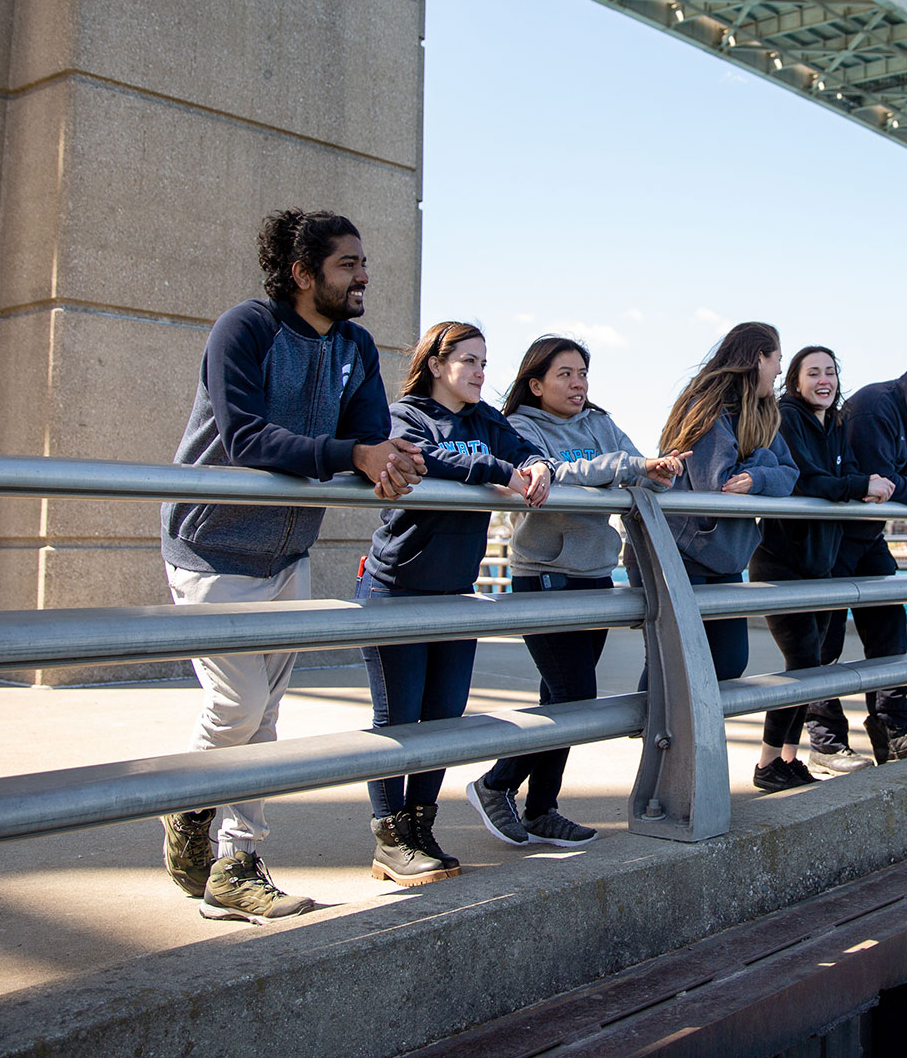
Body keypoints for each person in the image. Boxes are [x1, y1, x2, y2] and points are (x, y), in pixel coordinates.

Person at [159, 210, 426, 924]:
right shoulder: (243, 330)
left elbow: (369, 433)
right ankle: (188, 804)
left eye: (363, 261)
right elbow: (245, 436)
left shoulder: (355, 344)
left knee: (267, 713)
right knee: (237, 704)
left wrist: (392, 458)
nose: (363, 274)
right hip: (212, 544)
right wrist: (353, 455)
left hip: (287, 550)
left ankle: (237, 862)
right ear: (304, 273)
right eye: (347, 264)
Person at [466, 336, 689, 847]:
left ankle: (542, 808)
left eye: (583, 373)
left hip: (594, 575)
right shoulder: (520, 427)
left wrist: (660, 471)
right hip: (544, 575)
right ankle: (494, 784)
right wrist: (627, 468)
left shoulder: (600, 422)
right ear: (536, 383)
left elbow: (641, 473)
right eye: (564, 374)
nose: (578, 383)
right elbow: (555, 474)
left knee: (560, 696)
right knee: (575, 695)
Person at [359, 321, 554, 885]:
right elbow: (425, 460)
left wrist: (536, 466)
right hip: (396, 588)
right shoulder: (407, 414)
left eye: (485, 363)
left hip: (455, 592)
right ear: (438, 362)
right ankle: (389, 836)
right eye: (468, 360)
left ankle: (421, 827)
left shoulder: (484, 419)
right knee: (398, 719)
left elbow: (526, 450)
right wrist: (500, 472)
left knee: (443, 717)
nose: (478, 372)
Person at [805, 337, 907, 772]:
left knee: (890, 630)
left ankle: (893, 734)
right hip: (833, 536)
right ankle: (824, 743)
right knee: (826, 640)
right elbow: (886, 483)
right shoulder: (875, 406)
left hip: (869, 537)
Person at [749, 346, 894, 790]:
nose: (823, 380)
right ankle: (766, 763)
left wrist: (859, 485)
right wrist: (856, 486)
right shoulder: (787, 417)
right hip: (782, 560)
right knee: (802, 660)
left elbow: (846, 471)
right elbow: (804, 479)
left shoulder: (834, 423)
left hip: (822, 562)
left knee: (814, 663)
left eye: (830, 372)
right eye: (813, 373)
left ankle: (788, 759)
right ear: (795, 381)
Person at [644, 322, 797, 684]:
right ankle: (655, 737)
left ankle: (691, 739)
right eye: (777, 359)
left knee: (729, 664)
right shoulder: (706, 405)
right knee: (675, 667)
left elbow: (790, 475)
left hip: (725, 553)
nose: (779, 371)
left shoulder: (763, 412)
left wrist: (759, 474)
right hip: (680, 551)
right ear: (758, 357)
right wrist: (764, 462)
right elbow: (718, 485)